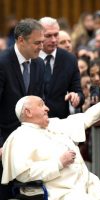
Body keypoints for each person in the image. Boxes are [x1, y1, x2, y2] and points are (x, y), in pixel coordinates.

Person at [1, 94, 100, 200]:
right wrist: (59, 163)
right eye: (41, 105)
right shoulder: (19, 137)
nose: (47, 108)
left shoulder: (54, 123)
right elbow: (24, 174)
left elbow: (84, 119)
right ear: (28, 112)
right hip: (61, 193)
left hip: (90, 186)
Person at [0, 18, 45, 200]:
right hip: (3, 143)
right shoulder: (2, 63)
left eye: (42, 42)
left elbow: (39, 102)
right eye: (37, 42)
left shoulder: (39, 64)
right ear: (21, 40)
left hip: (29, 145)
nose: (41, 47)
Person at [39, 17, 84, 119]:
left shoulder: (69, 59)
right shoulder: (31, 56)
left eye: (56, 34)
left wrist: (76, 97)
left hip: (60, 121)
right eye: (48, 36)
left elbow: (78, 92)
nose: (54, 40)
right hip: (33, 122)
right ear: (39, 35)